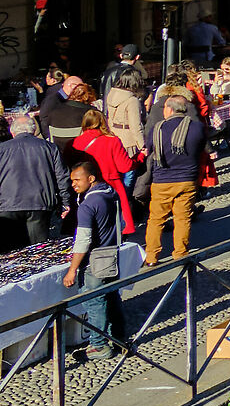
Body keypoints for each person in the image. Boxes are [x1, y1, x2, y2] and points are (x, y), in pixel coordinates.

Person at [61, 157, 127, 362]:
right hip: (111, 254)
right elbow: (121, 223)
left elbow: (83, 240)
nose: (74, 185)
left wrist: (72, 269)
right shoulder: (110, 193)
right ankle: (119, 338)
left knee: (95, 302)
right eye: (71, 181)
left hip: (94, 261)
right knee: (112, 297)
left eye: (77, 180)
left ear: (91, 178)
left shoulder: (87, 205)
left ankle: (98, 346)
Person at [141, 91, 206, 264]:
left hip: (162, 180)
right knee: (182, 218)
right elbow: (200, 148)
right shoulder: (196, 127)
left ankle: (152, 256)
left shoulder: (158, 128)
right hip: (187, 179)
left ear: (169, 110)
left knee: (156, 220)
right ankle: (180, 253)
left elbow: (149, 148)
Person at [0, 116, 70, 251]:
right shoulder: (50, 148)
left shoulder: (2, 149)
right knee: (38, 250)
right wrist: (65, 201)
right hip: (40, 204)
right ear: (33, 131)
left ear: (12, 132)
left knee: (11, 252)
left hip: (7, 205)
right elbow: (62, 176)